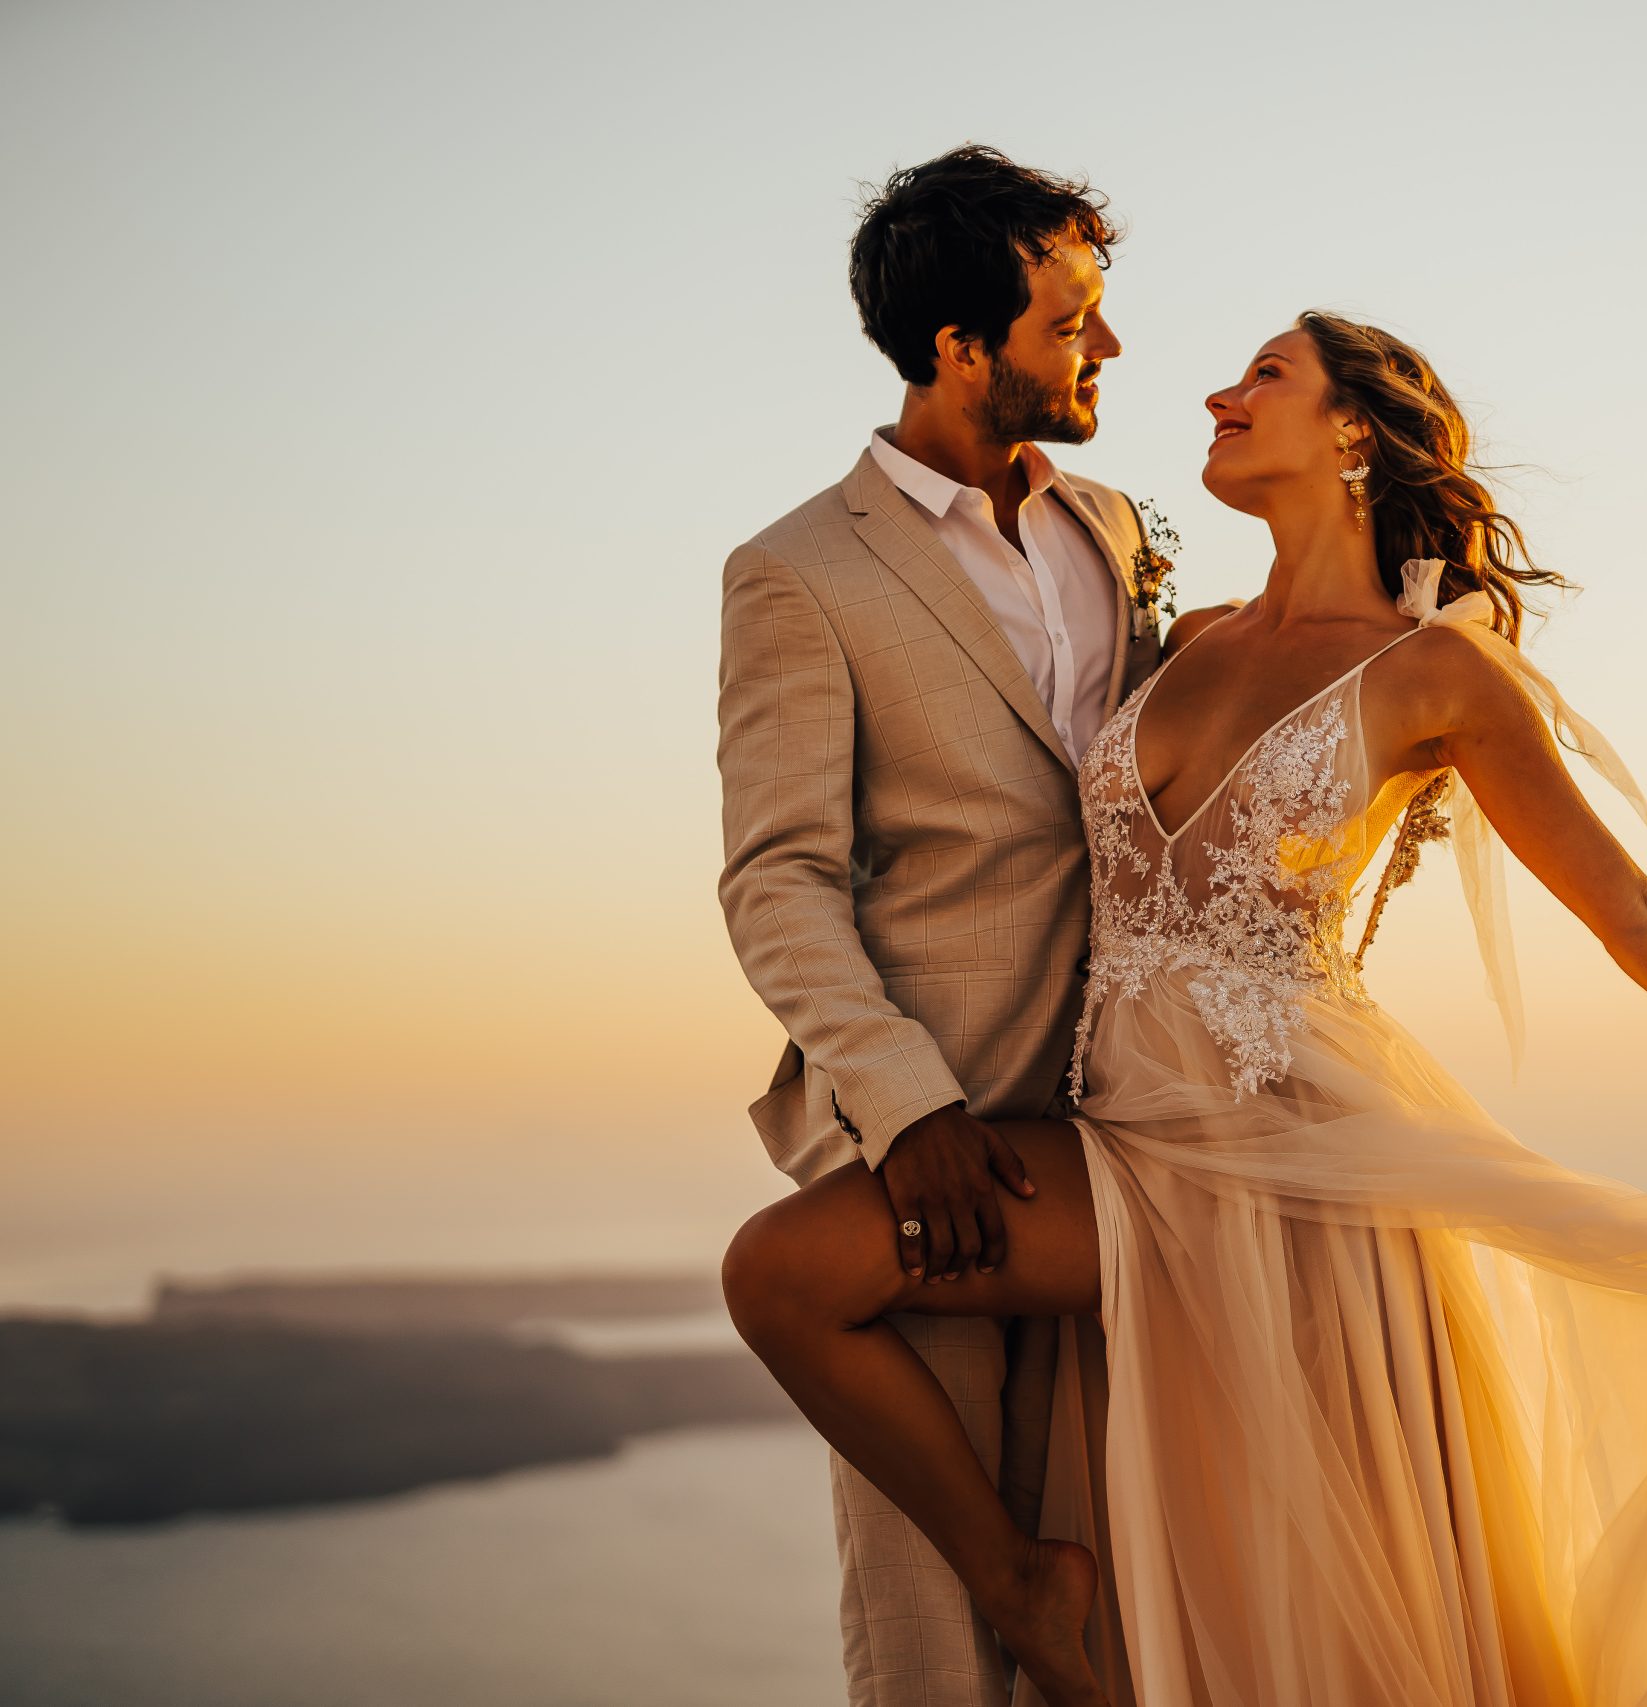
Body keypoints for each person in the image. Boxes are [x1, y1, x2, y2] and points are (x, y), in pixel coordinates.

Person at [723, 311, 1647, 1706]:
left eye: (1265, 377)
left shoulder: (1437, 674)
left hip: (1317, 1191)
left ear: (1353, 428)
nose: (1218, 393)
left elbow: (1635, 915)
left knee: (1340, 1642)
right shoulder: (1175, 631)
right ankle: (1018, 1579)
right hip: (1126, 1154)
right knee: (788, 1273)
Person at [712, 144, 1157, 1707]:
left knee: (1146, 1587)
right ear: (961, 348)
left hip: (1130, 1127)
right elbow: (775, 879)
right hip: (941, 1146)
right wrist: (908, 1110)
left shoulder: (1109, 529)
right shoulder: (796, 573)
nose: (1107, 346)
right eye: (1070, 319)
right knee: (943, 1642)